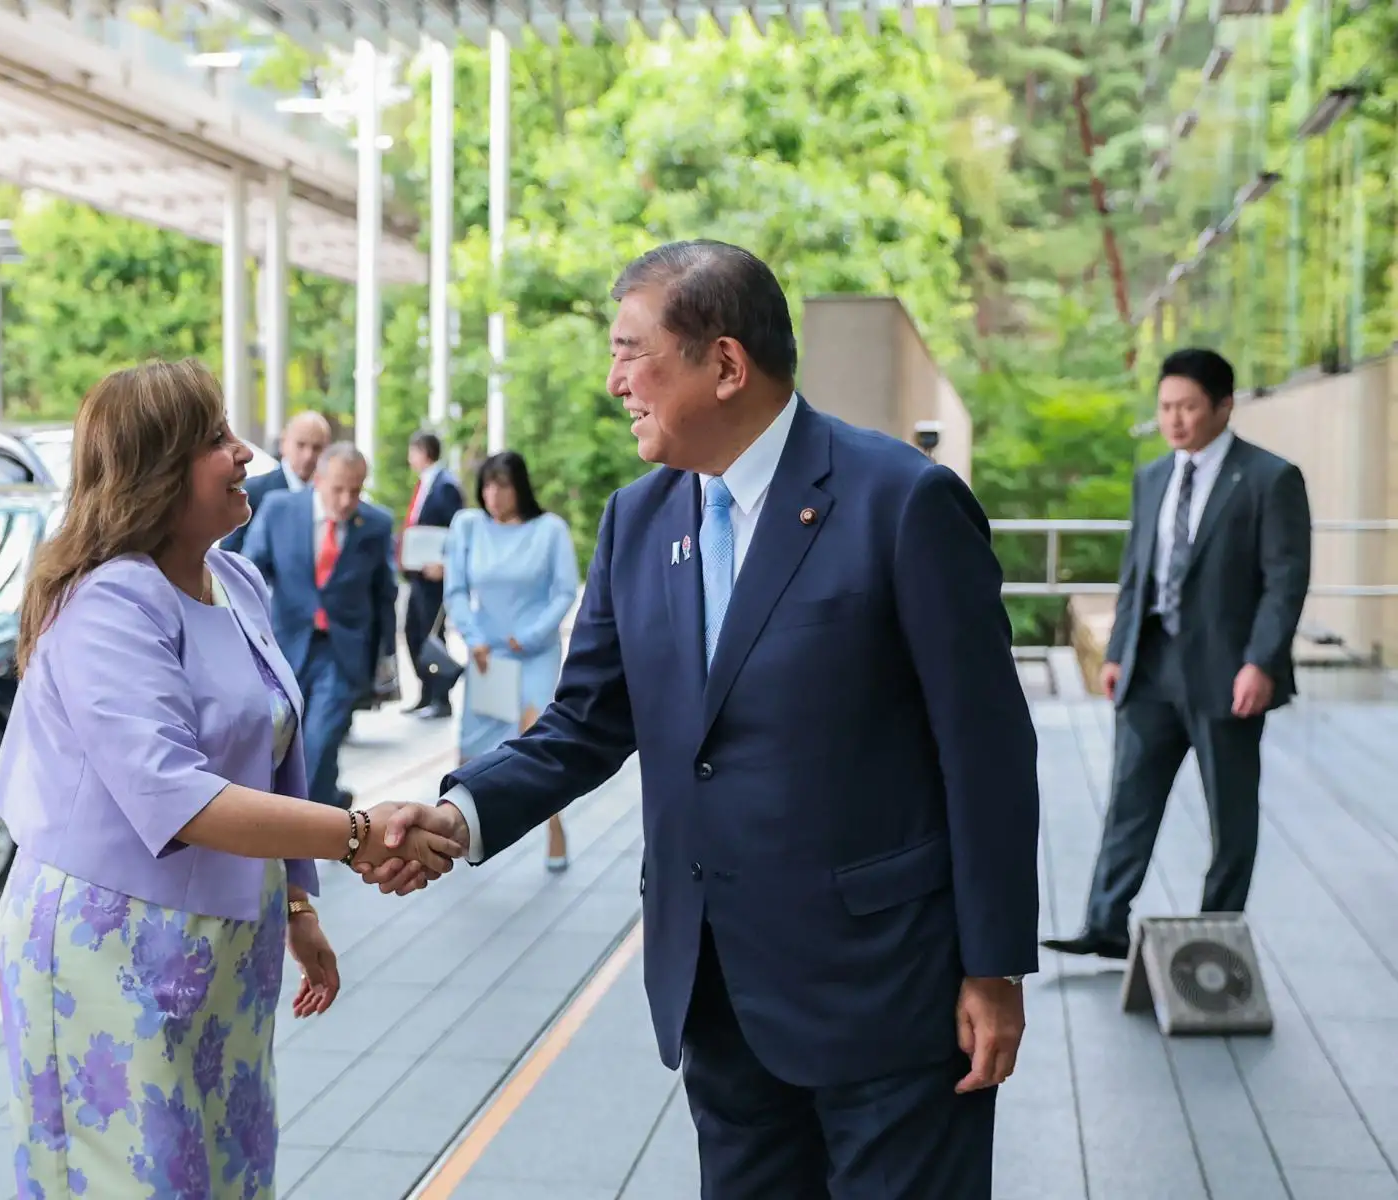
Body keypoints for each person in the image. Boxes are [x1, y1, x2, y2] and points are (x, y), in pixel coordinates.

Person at [374, 241, 1040, 1198]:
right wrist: (461, 814)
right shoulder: (638, 522)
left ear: (725, 365)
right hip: (717, 991)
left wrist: (995, 967)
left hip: (889, 992)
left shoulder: (902, 503)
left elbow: (987, 752)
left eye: (631, 352)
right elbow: (586, 722)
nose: (613, 382)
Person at [0, 359, 459, 1200]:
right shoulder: (108, 606)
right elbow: (176, 792)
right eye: (215, 438)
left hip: (227, 941)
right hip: (112, 946)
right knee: (137, 1178)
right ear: (156, 470)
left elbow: (273, 754)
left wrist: (300, 903)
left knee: (227, 1172)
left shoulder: (234, 579)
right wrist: (357, 837)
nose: (245, 452)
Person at [1042, 348, 1311, 961]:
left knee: (1230, 813)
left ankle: (1216, 933)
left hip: (1228, 671)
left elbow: (1284, 581)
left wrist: (1261, 661)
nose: (1175, 420)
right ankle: (1105, 923)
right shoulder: (1153, 477)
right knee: (1129, 801)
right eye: (1166, 407)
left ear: (1223, 405)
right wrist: (1117, 651)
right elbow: (1138, 572)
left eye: (1188, 406)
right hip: (1151, 667)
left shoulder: (1270, 478)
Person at [443, 450, 580, 871]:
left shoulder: (549, 530)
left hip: (533, 652)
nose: (492, 494)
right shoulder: (468, 526)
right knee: (473, 746)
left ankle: (554, 828)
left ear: (519, 487)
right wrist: (475, 637)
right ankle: (452, 832)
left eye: (502, 485)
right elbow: (456, 589)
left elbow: (563, 591)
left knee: (535, 738)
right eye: (486, 485)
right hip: (488, 654)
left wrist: (531, 635)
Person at [245, 443, 398, 810]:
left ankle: (294, 833)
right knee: (286, 736)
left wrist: (385, 656)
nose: (347, 500)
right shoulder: (280, 510)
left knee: (319, 739)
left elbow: (384, 595)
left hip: (343, 651)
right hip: (287, 644)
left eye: (356, 490)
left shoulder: (375, 525)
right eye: (339, 489)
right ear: (319, 480)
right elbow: (250, 573)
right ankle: (328, 799)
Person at [399, 430, 463, 718]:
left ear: (424, 452)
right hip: (418, 574)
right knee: (413, 631)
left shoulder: (445, 486)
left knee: (431, 633)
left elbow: (455, 531)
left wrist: (447, 565)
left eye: (412, 451)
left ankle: (441, 697)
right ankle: (426, 692)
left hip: (435, 576)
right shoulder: (425, 484)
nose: (409, 458)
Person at [219, 409, 332, 554]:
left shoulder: (330, 497)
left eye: (317, 448)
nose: (308, 456)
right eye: (301, 445)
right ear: (283, 443)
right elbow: (228, 553)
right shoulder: (252, 492)